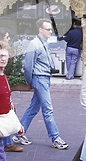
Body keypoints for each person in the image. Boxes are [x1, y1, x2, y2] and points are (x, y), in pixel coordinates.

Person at [12, 19, 69, 150]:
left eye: (50, 29)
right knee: (47, 110)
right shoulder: (34, 44)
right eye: (48, 29)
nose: (50, 31)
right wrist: (29, 81)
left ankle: (19, 133)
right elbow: (28, 66)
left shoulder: (42, 43)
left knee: (33, 108)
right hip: (40, 79)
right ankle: (55, 137)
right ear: (40, 30)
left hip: (43, 78)